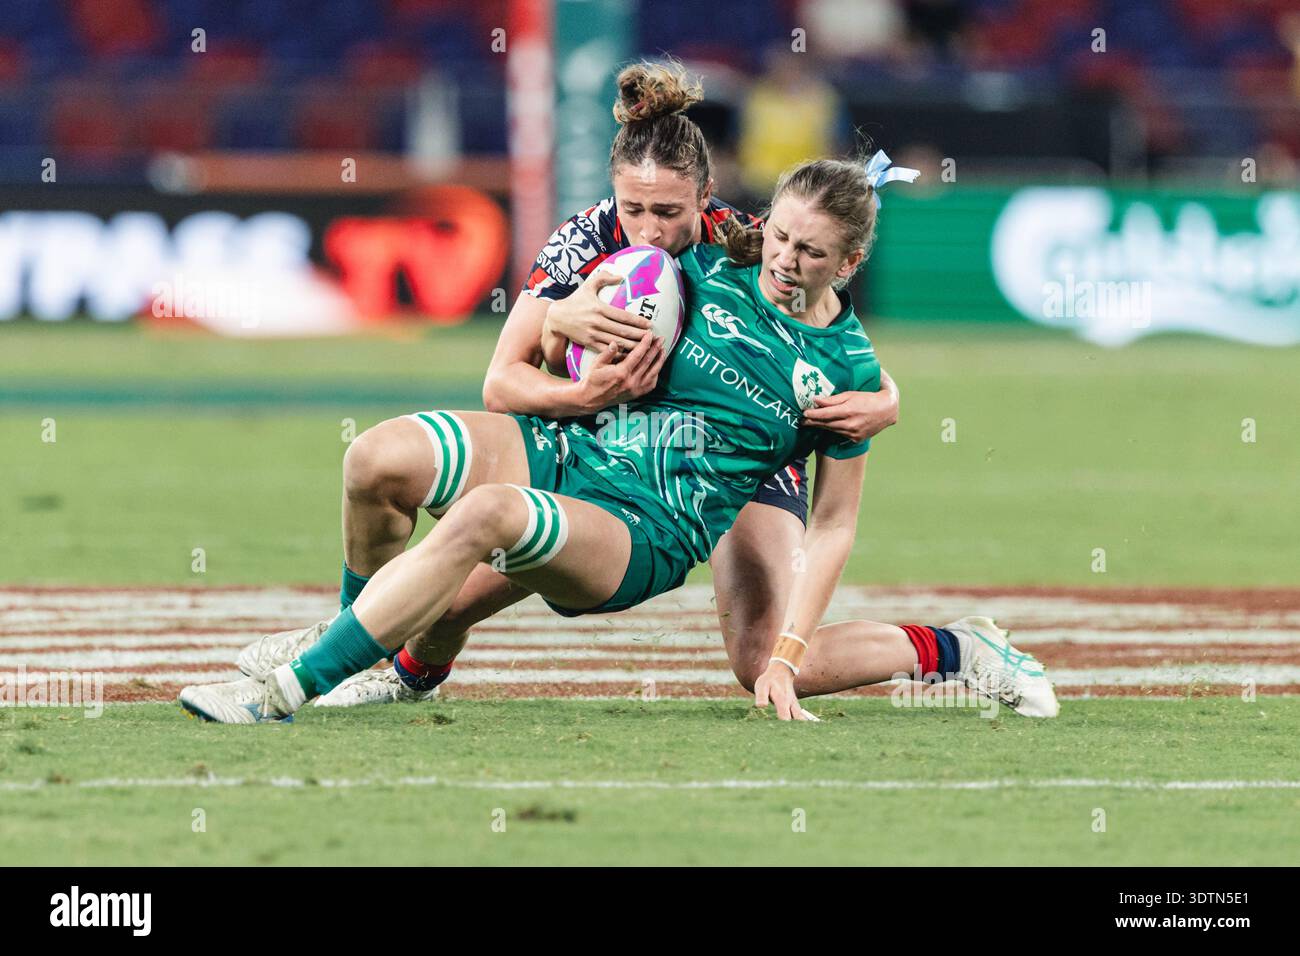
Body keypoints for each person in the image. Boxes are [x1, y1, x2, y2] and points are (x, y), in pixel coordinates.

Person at [226, 62, 1057, 720]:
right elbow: (503, 379)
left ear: (708, 199)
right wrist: (565, 339)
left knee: (761, 658)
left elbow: (821, 312)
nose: (652, 234)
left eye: (672, 214)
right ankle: (370, 656)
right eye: (636, 212)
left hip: (739, 459)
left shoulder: (743, 241)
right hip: (607, 437)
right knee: (406, 507)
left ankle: (957, 649)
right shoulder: (587, 241)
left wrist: (886, 397)